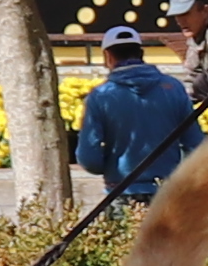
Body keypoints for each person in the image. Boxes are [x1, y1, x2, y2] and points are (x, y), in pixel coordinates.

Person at [72, 25, 198, 203]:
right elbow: (195, 144)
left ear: (108, 56)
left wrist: (111, 166)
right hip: (168, 191)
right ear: (141, 53)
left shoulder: (100, 96)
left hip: (121, 191)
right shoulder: (173, 88)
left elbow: (88, 157)